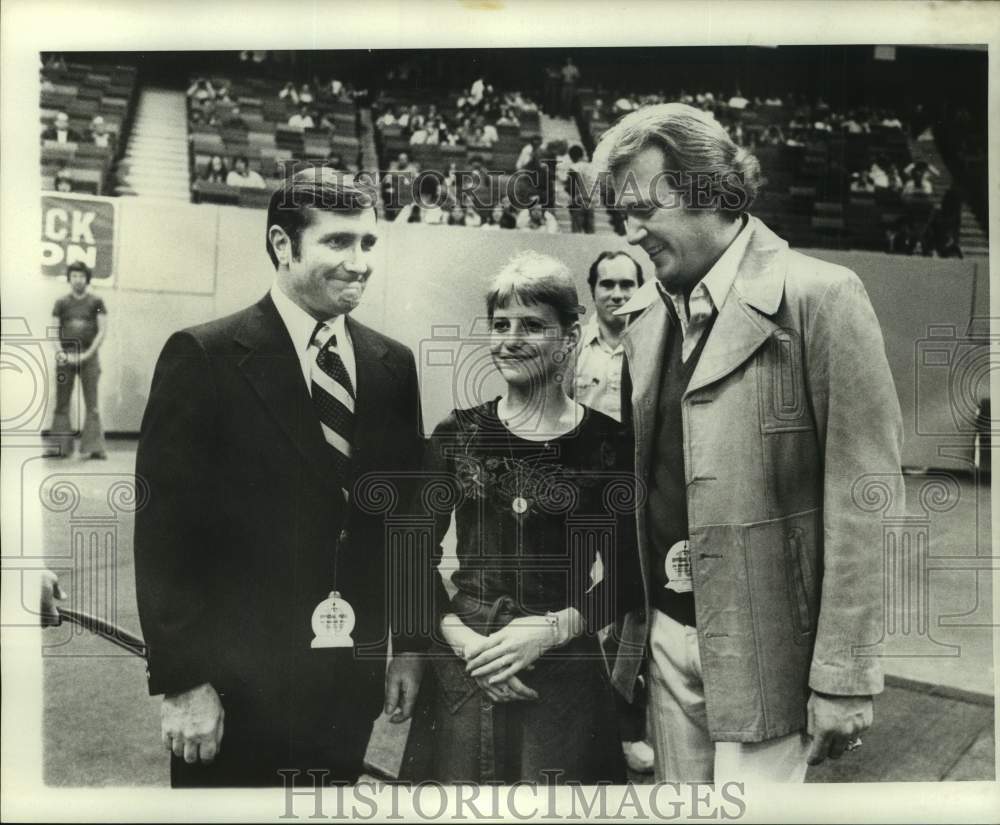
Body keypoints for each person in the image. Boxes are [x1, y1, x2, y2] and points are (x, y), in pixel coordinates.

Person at [591, 103, 903, 783]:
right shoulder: (645, 321)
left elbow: (866, 498)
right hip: (667, 639)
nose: (631, 229)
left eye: (645, 206)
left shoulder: (822, 297)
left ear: (710, 189)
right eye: (623, 213)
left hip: (769, 651)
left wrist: (846, 674)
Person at [133, 168, 426, 787]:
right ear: (281, 245)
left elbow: (406, 521)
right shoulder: (203, 355)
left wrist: (411, 644)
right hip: (234, 689)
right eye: (339, 242)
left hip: (347, 681)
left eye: (369, 243)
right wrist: (184, 682)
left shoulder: (391, 365)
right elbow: (164, 535)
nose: (360, 262)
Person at [400, 251, 640, 783]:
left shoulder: (606, 442)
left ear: (570, 338)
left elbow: (628, 571)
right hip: (466, 662)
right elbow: (410, 557)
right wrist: (466, 643)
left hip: (563, 671)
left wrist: (552, 630)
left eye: (531, 326)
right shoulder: (456, 434)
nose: (509, 339)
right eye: (500, 324)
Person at [46, 262, 108, 459]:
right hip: (65, 357)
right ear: (69, 278)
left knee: (92, 403)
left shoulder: (97, 302)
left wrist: (87, 354)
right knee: (62, 402)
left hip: (89, 357)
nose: (78, 280)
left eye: (81, 276)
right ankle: (60, 447)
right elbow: (54, 332)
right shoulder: (60, 303)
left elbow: (102, 330)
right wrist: (62, 354)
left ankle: (94, 447)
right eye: (74, 276)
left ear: (86, 278)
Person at [566, 145, 595, 234]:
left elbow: (571, 186)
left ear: (572, 156)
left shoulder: (574, 167)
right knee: (590, 233)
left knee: (576, 233)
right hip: (590, 202)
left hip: (578, 201)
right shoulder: (591, 167)